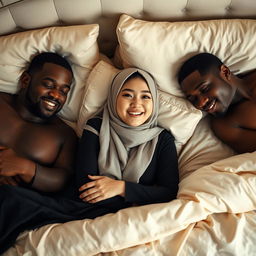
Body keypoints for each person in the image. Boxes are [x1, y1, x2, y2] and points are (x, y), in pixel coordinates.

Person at [0, 68, 179, 253]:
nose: (136, 103)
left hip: (124, 216)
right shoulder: (96, 127)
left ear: (155, 101)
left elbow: (169, 192)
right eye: (127, 95)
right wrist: (139, 196)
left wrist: (121, 187)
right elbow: (86, 185)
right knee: (9, 197)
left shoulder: (163, 140)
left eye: (145, 97)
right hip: (78, 207)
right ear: (113, 98)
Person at [0, 52, 78, 192]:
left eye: (64, 91)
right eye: (48, 85)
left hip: (19, 203)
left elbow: (63, 179)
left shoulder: (64, 134)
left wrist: (25, 168)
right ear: (25, 80)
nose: (56, 95)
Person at [177, 52, 256, 153]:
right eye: (193, 99)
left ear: (225, 72)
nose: (201, 103)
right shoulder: (225, 126)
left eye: (204, 89)